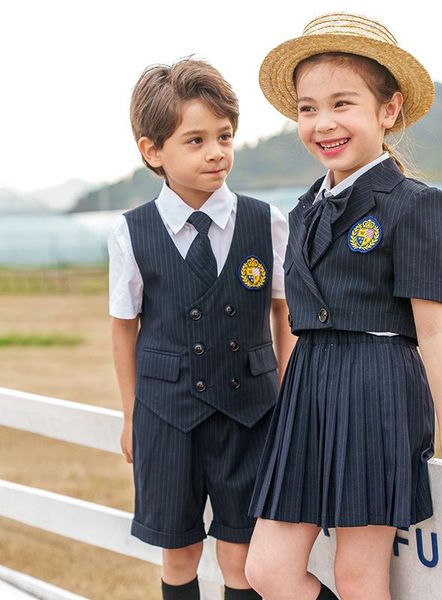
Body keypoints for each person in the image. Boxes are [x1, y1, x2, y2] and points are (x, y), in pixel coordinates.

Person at [245, 13, 442, 600]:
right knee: (267, 569)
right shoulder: (303, 210)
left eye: (342, 104)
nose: (323, 124)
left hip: (377, 389)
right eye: (307, 108)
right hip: (308, 393)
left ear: (388, 110)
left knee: (357, 575)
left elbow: (437, 331)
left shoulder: (417, 205)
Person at [109, 58, 295, 600]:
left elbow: (284, 316)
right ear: (153, 151)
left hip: (253, 410)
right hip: (167, 413)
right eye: (195, 140)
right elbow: (124, 327)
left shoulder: (266, 221)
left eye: (225, 136)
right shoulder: (131, 231)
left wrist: (285, 396)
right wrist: (131, 415)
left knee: (242, 556)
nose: (216, 152)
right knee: (180, 552)